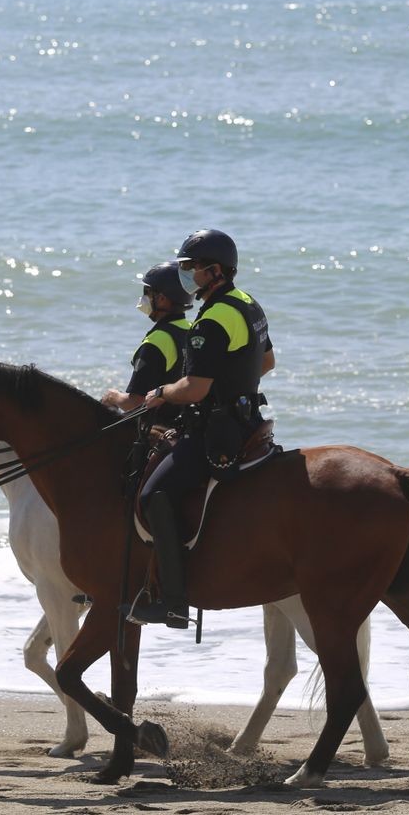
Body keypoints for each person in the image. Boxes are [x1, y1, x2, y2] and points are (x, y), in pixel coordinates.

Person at [133, 228, 275, 629]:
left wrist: (159, 391)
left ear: (214, 271)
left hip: (216, 430)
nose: (185, 275)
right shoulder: (248, 304)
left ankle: (173, 602)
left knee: (154, 493)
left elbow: (193, 390)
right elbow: (267, 363)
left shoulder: (211, 320)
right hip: (250, 422)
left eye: (190, 268)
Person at [100, 261, 193, 413]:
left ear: (162, 299)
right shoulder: (191, 330)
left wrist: (113, 397)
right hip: (184, 424)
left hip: (158, 429)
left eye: (147, 292)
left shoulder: (155, 343)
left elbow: (136, 404)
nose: (143, 298)